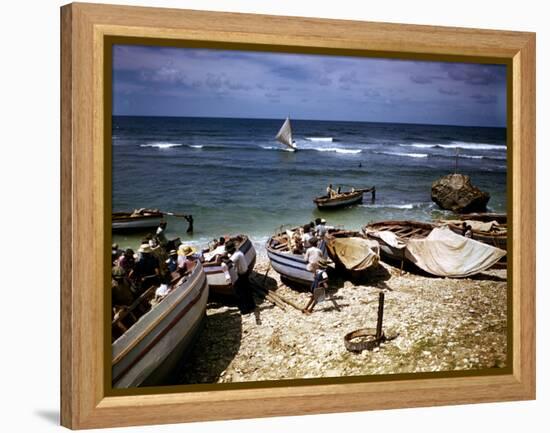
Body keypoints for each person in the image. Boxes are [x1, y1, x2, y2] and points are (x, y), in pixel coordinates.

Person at [226, 241, 255, 314]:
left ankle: (244, 310)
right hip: (245, 273)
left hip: (242, 275)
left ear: (231, 250)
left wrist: (221, 259)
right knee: (247, 290)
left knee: (239, 292)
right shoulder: (239, 252)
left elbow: (228, 262)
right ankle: (251, 306)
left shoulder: (236, 255)